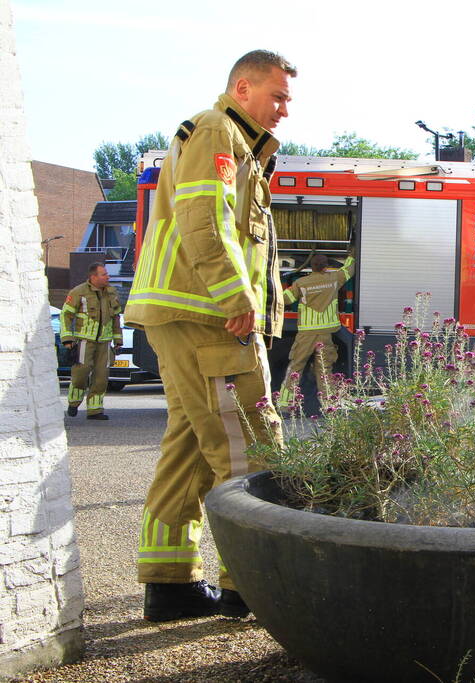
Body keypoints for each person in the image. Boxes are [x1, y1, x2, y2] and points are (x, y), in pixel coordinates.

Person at [123, 49, 296, 621]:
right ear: (242, 88)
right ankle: (250, 584)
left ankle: (169, 583)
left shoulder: (233, 139)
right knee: (251, 445)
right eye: (277, 96)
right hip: (208, 317)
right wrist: (235, 295)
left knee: (193, 447)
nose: (284, 110)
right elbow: (206, 220)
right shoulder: (220, 131)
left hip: (186, 315)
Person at [279, 251, 356, 407]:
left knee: (296, 367)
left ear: (311, 267)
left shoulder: (301, 283)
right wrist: (352, 254)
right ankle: (329, 405)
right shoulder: (334, 279)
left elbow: (284, 299)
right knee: (324, 370)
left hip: (306, 334)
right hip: (325, 334)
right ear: (326, 267)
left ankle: (285, 403)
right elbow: (349, 269)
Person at [60, 262, 122, 420]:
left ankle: (95, 410)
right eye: (104, 274)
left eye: (107, 274)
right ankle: (74, 402)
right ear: (93, 277)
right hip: (84, 341)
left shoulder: (112, 292)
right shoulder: (78, 292)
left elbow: (116, 318)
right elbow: (66, 315)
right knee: (80, 373)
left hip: (105, 342)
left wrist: (118, 340)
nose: (108, 276)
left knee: (101, 377)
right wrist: (67, 338)